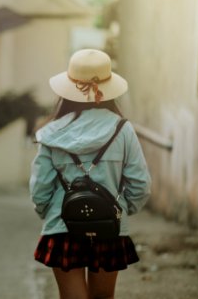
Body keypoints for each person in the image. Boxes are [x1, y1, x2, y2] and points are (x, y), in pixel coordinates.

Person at [29, 49, 151, 299]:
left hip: (62, 228)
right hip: (110, 227)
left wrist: (52, 214)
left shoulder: (51, 133)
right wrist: (121, 209)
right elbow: (141, 185)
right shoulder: (123, 129)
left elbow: (40, 190)